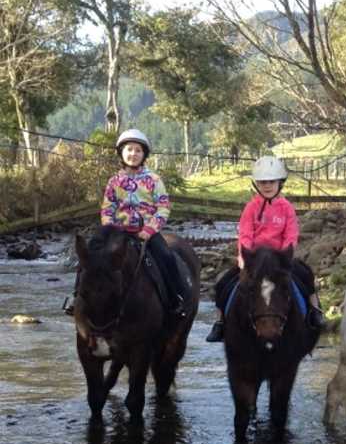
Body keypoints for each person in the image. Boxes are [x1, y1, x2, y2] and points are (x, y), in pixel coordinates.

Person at [65, 129, 185, 316]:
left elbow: (163, 207)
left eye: (138, 150)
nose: (133, 154)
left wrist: (149, 229)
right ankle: (75, 296)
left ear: (144, 154)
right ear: (122, 152)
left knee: (166, 257)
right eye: (129, 149)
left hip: (145, 230)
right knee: (89, 255)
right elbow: (107, 207)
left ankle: (176, 299)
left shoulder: (154, 180)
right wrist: (110, 227)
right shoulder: (115, 181)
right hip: (116, 230)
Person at [205, 155, 325, 342]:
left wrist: (286, 256)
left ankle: (315, 312)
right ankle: (220, 322)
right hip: (254, 259)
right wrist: (244, 256)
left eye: (271, 181)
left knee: (306, 275)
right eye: (262, 182)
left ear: (280, 182)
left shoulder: (286, 208)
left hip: (280, 258)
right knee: (223, 283)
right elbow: (245, 233)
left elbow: (291, 234)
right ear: (256, 184)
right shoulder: (250, 208)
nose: (267, 186)